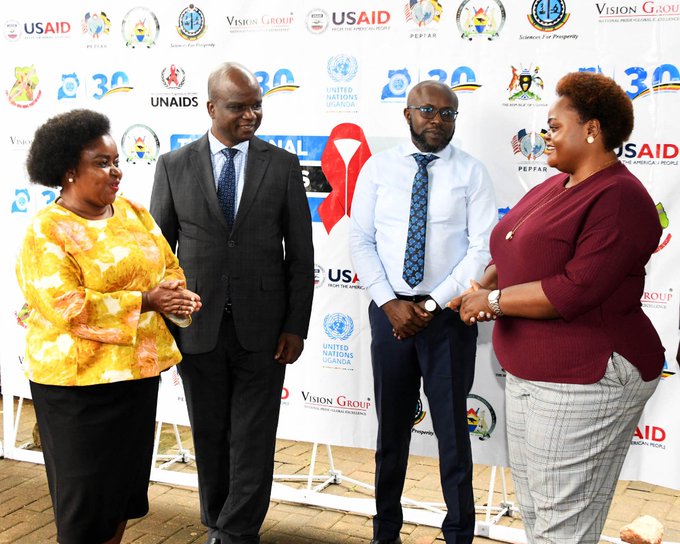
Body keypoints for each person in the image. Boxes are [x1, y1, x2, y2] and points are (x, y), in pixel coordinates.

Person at [453, 71, 665, 544]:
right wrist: (485, 284)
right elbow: (513, 247)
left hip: (587, 374)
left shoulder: (620, 198)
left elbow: (574, 290)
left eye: (554, 126)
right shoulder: (556, 185)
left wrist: (492, 301)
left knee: (561, 526)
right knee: (539, 514)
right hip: (531, 372)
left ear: (591, 130)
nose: (545, 136)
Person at [16, 109, 201, 544]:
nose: (116, 171)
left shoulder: (133, 213)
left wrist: (175, 297)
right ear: (68, 171)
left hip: (136, 379)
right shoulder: (47, 231)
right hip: (77, 389)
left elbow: (169, 268)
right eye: (102, 163)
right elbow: (68, 306)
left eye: (117, 161)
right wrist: (146, 300)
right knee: (86, 509)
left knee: (121, 497)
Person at [150, 62, 314, 544]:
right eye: (239, 107)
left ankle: (237, 532)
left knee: (253, 437)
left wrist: (296, 325)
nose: (251, 115)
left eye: (257, 106)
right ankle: (216, 521)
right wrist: (165, 327)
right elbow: (159, 255)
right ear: (211, 108)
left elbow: (300, 255)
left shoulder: (282, 165)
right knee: (209, 433)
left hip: (264, 330)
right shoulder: (173, 165)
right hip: (196, 329)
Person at [350, 80, 497, 544]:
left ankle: (458, 535)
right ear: (408, 114)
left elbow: (480, 249)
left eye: (448, 113)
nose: (438, 119)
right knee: (391, 433)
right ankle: (385, 533)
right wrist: (389, 303)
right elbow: (361, 240)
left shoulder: (472, 173)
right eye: (428, 110)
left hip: (448, 317)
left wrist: (432, 304)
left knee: (453, 433)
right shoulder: (377, 169)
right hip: (389, 313)